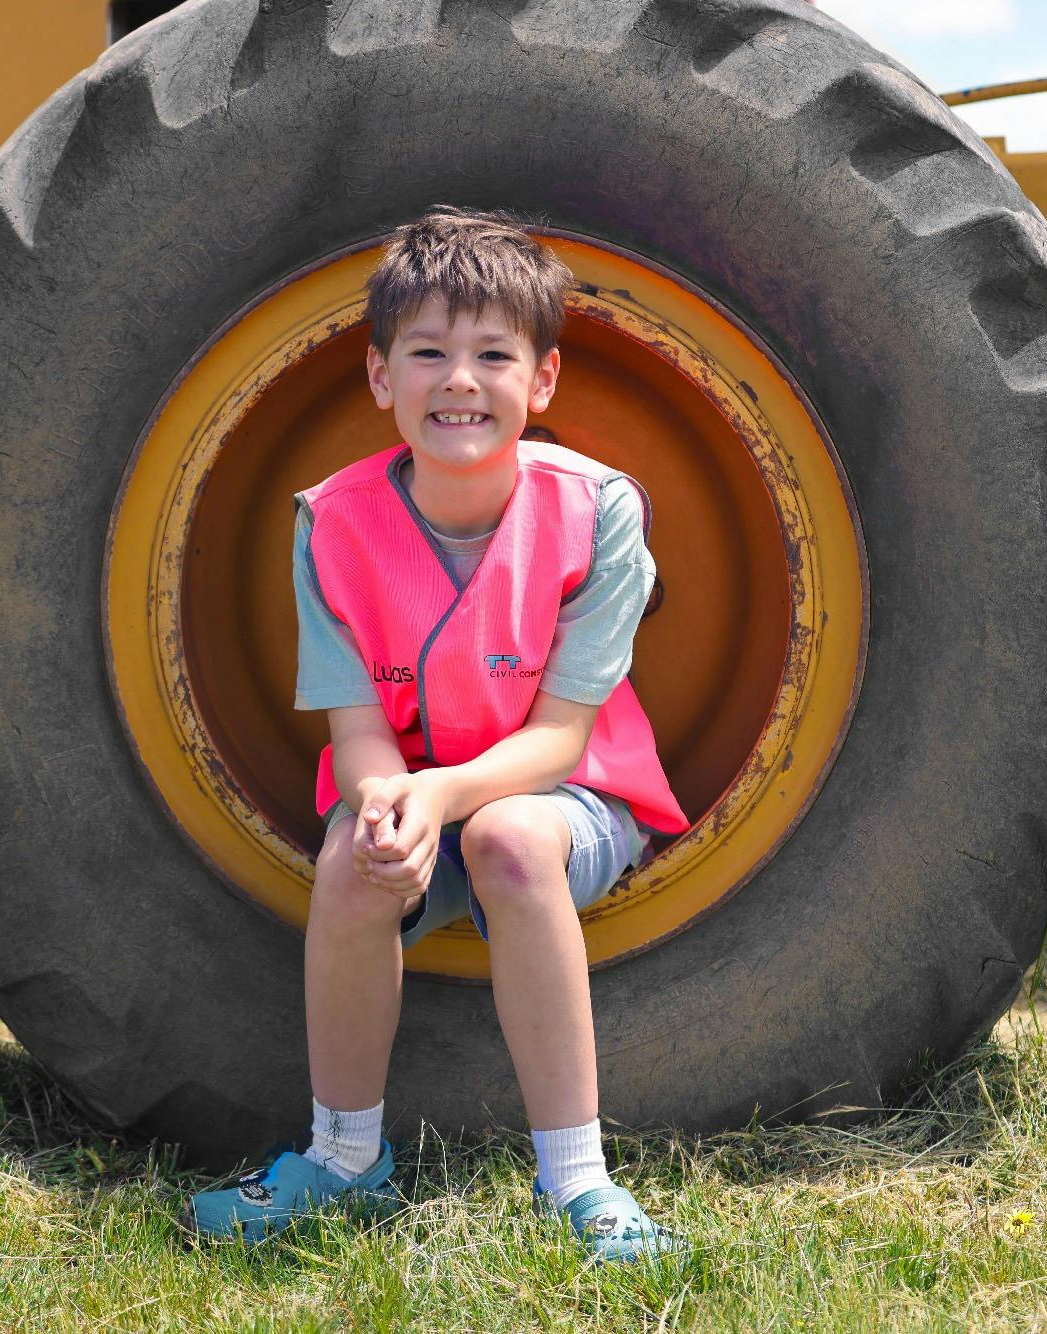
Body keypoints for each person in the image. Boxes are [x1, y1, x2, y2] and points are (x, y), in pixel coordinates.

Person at [186, 208, 690, 1262]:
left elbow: (560, 738)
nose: (460, 379)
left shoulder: (596, 510)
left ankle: (579, 1181)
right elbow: (357, 729)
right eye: (427, 353)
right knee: (351, 858)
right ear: (380, 376)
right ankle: (345, 1158)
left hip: (566, 796)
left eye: (493, 355)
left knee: (510, 837)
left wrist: (444, 797)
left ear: (542, 380)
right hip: (416, 790)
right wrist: (385, 805)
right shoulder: (330, 521)